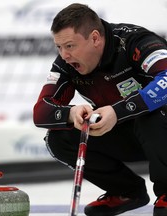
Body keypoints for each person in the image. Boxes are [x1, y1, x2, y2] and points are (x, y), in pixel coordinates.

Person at [33, 3, 167, 216]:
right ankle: (126, 192)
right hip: (130, 135)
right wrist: (71, 113)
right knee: (58, 138)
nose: (64, 55)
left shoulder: (135, 42)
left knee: (149, 114)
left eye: (69, 46)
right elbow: (41, 111)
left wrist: (118, 111)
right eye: (59, 47)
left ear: (95, 38)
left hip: (159, 128)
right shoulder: (66, 64)